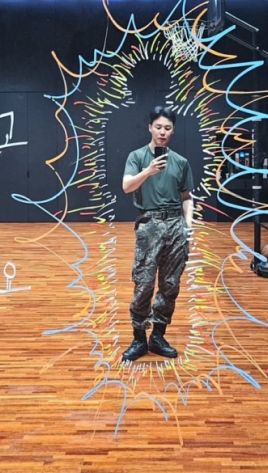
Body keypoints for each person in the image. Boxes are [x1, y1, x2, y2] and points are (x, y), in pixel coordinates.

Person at [120, 106, 194, 362]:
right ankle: (139, 338)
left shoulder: (181, 162)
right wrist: (148, 171)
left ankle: (158, 336)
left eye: (168, 128)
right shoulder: (137, 157)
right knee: (144, 283)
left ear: (173, 131)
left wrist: (188, 226)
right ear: (150, 127)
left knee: (170, 284)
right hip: (149, 224)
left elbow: (187, 197)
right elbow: (127, 187)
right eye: (159, 127)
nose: (163, 132)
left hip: (175, 225)